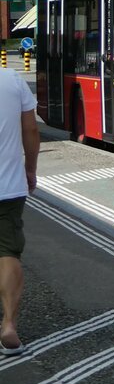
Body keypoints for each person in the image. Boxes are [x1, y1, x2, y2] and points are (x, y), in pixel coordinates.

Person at [0, 67, 38, 356]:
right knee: (7, 253)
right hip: (8, 187)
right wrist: (30, 170)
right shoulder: (12, 80)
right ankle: (9, 325)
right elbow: (31, 130)